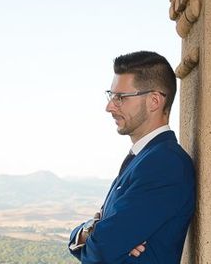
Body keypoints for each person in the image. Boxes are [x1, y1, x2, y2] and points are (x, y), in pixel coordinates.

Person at [68, 51, 195, 263]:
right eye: (111, 95)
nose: (109, 107)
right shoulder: (142, 158)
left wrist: (101, 235)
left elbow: (101, 251)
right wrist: (92, 230)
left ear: (154, 101)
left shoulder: (165, 163)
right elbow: (100, 241)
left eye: (121, 98)